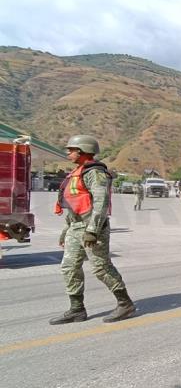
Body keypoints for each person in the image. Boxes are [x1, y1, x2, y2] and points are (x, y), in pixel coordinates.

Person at [50, 135, 136, 325]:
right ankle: (77, 309)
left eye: (71, 149)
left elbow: (101, 202)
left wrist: (93, 230)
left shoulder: (94, 173)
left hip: (92, 227)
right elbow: (76, 204)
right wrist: (66, 229)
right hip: (76, 226)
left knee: (100, 267)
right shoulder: (77, 172)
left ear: (82, 151)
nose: (68, 153)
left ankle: (125, 303)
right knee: (69, 267)